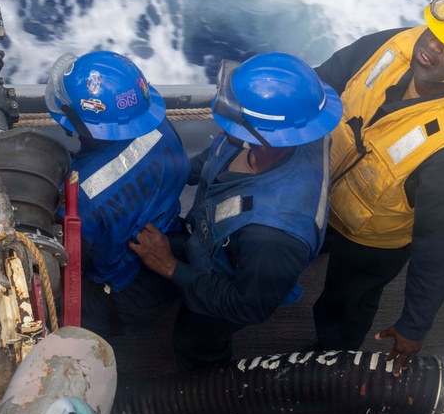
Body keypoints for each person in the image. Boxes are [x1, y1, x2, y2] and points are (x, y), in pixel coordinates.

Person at [311, 0, 444, 375]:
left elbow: (441, 247)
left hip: (371, 239)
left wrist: (414, 325)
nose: (432, 45)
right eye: (433, 32)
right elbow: (324, 79)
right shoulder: (397, 44)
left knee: (344, 305)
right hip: (322, 188)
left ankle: (327, 361)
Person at [129, 53, 343, 369]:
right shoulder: (289, 131)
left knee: (194, 341)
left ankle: (203, 390)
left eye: (235, 115)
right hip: (215, 240)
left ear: (264, 136)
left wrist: (171, 267)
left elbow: (248, 307)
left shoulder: (274, 236)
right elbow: (212, 159)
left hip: (235, 279)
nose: (224, 112)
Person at [45, 51, 191, 337]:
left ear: (79, 122)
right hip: (173, 243)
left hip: (125, 297)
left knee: (47, 300)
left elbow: (76, 260)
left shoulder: (78, 194)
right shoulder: (159, 125)